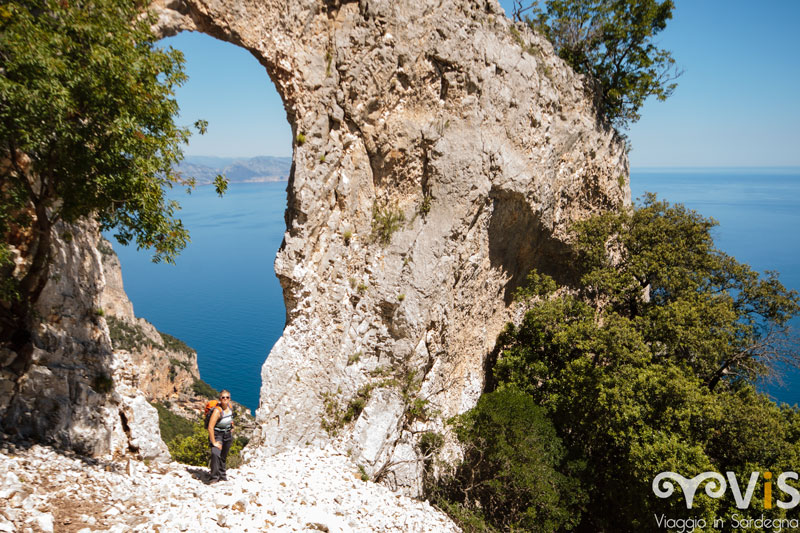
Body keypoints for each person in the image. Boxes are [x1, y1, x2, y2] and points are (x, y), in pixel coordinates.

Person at [207, 390, 234, 483]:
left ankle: (222, 475)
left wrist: (232, 426)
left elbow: (230, 418)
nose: (225, 399)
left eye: (227, 397)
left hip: (227, 434)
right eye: (223, 397)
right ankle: (214, 477)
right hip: (217, 434)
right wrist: (214, 442)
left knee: (223, 456)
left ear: (229, 399)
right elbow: (210, 427)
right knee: (215, 453)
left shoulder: (230, 407)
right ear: (220, 399)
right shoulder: (217, 411)